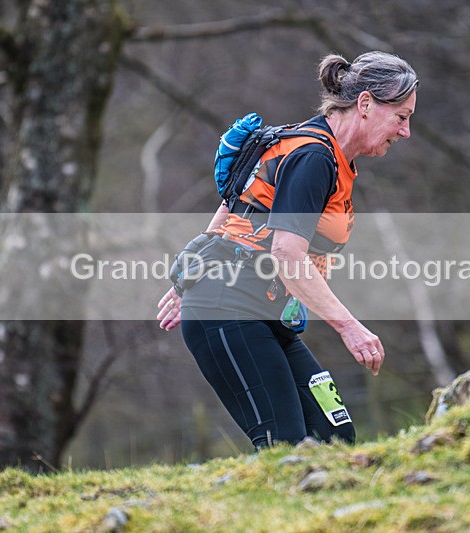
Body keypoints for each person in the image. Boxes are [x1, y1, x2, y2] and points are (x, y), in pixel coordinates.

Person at [157, 51, 418, 450]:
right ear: (365, 104)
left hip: (262, 313)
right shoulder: (314, 156)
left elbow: (237, 204)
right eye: (401, 117)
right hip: (227, 309)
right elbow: (287, 255)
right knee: (285, 444)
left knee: (334, 435)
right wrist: (350, 327)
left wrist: (187, 277)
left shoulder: (322, 152)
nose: (406, 131)